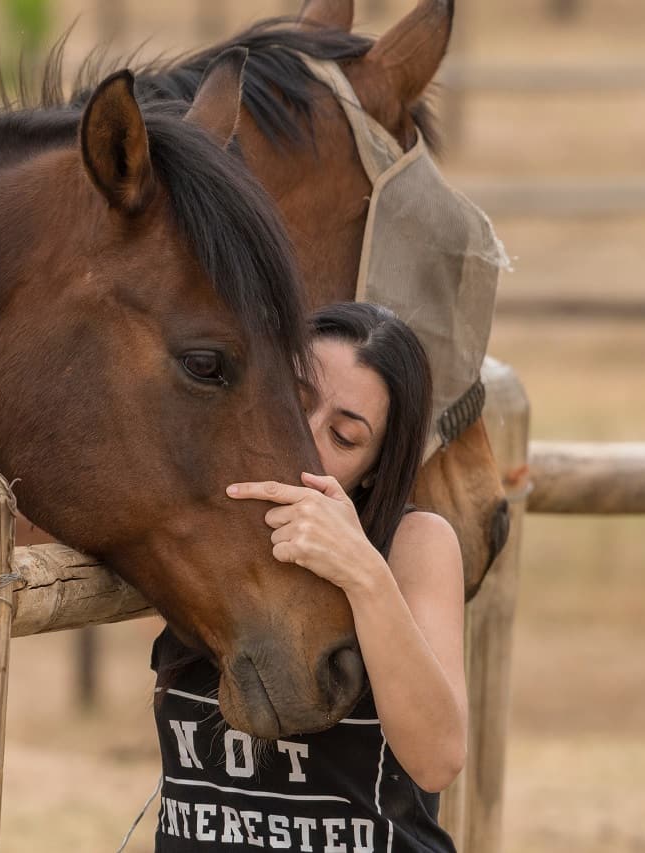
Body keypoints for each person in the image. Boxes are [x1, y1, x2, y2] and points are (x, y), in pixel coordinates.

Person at [151, 302, 466, 853]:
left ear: (374, 470)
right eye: (294, 403)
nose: (305, 437)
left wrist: (364, 574)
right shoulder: (193, 521)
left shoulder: (414, 545)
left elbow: (438, 759)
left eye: (343, 437)